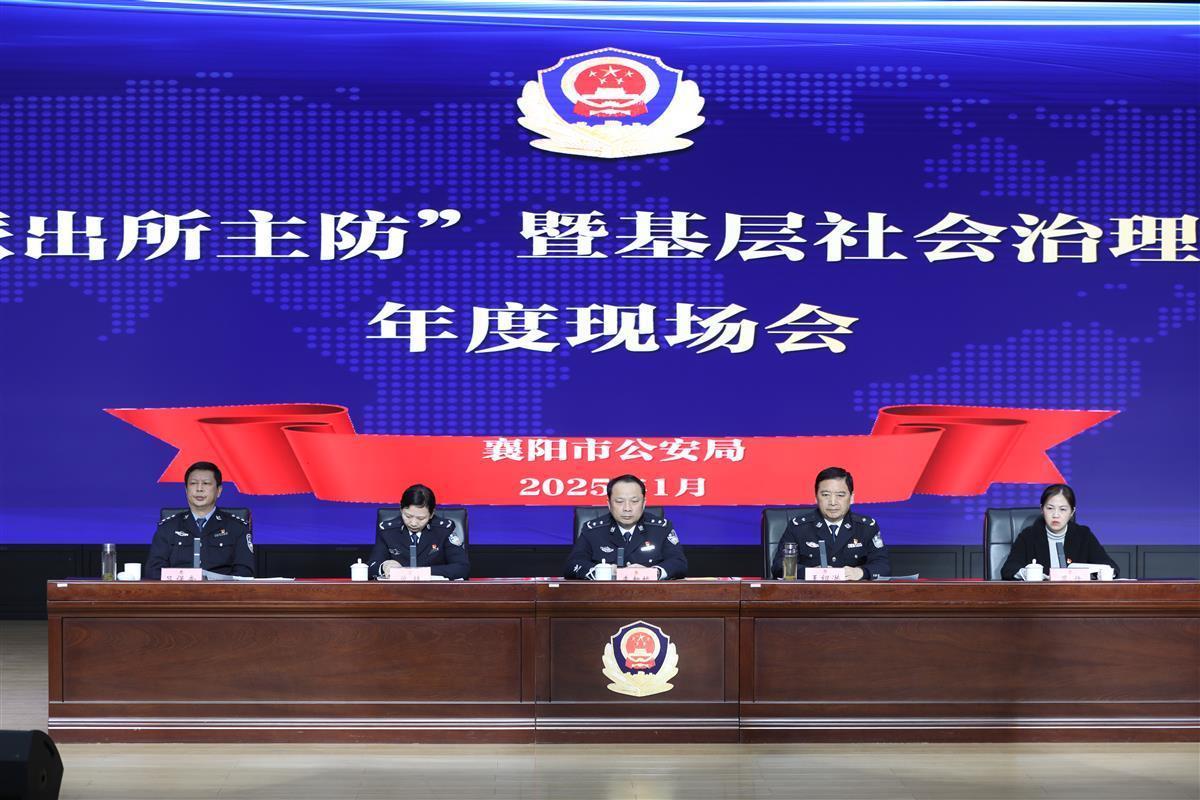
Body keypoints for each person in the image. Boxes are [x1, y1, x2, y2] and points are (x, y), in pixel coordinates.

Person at [770, 466, 890, 580]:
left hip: (853, 593)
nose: (833, 502)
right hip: (811, 592)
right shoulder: (798, 527)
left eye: (840, 495)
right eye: (825, 495)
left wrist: (860, 572)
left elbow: (884, 566)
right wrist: (811, 573)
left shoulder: (866, 527)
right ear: (816, 497)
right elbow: (778, 567)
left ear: (852, 497)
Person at [145, 461, 255, 580]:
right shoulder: (168, 527)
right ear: (186, 490)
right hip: (178, 591)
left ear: (219, 491)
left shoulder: (237, 527)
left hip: (221, 591)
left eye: (206, 483)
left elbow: (244, 573)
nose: (199, 489)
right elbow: (153, 571)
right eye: (193, 483)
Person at [564, 474, 687, 580]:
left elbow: (679, 564)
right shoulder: (593, 530)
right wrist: (601, 571)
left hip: (650, 596)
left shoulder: (661, 528)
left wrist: (653, 572)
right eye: (619, 501)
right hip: (604, 596)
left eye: (634, 501)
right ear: (609, 503)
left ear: (644, 503)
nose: (627, 508)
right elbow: (572, 565)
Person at [1001, 483, 1119, 580]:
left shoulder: (1083, 535)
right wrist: (1027, 573)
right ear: (1042, 509)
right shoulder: (1029, 536)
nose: (1056, 515)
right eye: (1050, 508)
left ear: (1072, 512)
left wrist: (1102, 573)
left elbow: (1110, 566)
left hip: (1076, 597)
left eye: (1063, 509)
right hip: (1040, 596)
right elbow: (1009, 569)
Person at [369, 484, 469, 580]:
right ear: (401, 510)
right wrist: (384, 566)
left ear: (431, 514)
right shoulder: (388, 531)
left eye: (421, 518)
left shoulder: (443, 530)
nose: (413, 523)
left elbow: (462, 568)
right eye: (408, 516)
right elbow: (370, 568)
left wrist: (419, 572)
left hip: (434, 590)